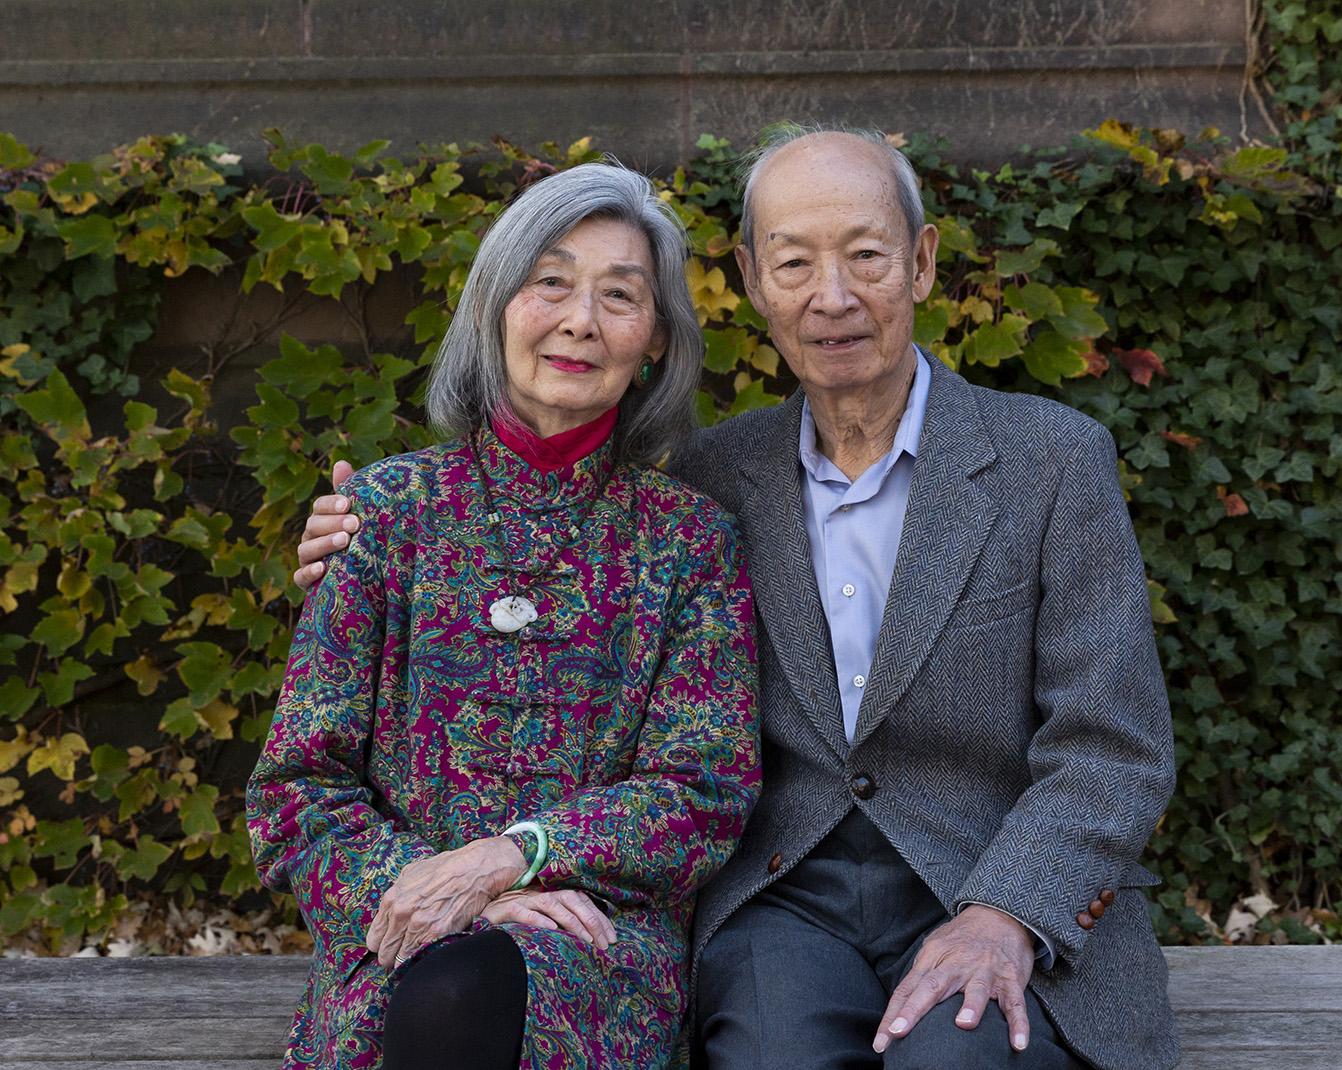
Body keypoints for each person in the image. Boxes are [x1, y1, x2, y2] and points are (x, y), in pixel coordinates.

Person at [295, 126, 1178, 1070]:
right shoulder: (719, 478)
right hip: (785, 898)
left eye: (866, 257)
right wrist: (337, 565)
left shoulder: (1049, 462)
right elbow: (343, 732)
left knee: (953, 1058)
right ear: (755, 281)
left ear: (921, 264)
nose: (831, 296)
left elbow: (1112, 745)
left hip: (984, 876)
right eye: (794, 262)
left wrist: (1010, 912)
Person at [247, 162, 761, 1070]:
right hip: (396, 923)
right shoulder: (389, 513)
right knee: (441, 989)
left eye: (620, 295)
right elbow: (296, 790)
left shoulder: (690, 541)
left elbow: (701, 789)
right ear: (494, 306)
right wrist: (438, 891)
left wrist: (515, 856)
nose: (581, 320)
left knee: (468, 995)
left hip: (593, 941)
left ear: (654, 342)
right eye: (550, 281)